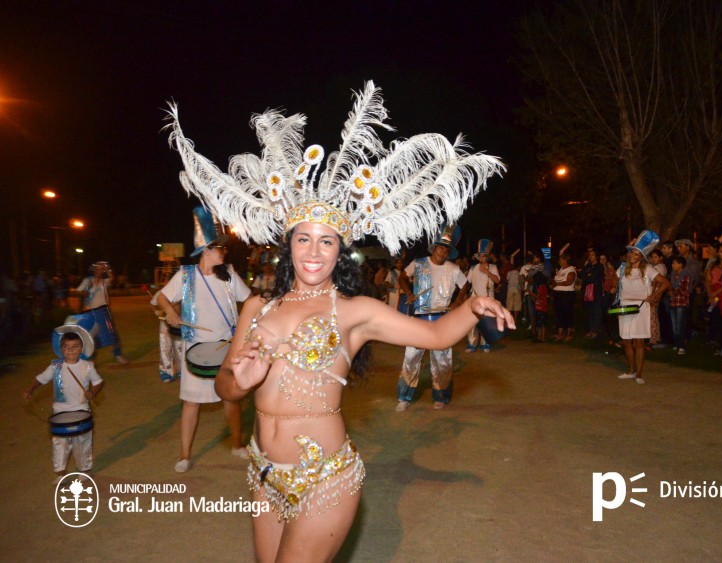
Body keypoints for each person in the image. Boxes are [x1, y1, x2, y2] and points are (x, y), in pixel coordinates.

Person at [166, 81, 507, 561]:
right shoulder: (256, 308)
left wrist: (472, 307)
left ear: (339, 251)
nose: (313, 251)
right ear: (288, 244)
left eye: (326, 241)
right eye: (303, 238)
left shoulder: (353, 310)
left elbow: (433, 335)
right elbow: (225, 387)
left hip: (326, 476)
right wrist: (239, 382)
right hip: (264, 475)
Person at [156, 207, 252, 472]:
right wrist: (170, 310)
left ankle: (237, 445)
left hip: (224, 347)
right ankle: (185, 455)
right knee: (191, 402)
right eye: (220, 248)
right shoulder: (185, 277)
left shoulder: (229, 275)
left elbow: (250, 300)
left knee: (231, 400)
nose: (224, 252)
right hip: (194, 348)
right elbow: (161, 297)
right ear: (206, 250)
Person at [397, 225, 469, 405]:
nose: (443, 251)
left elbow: (465, 285)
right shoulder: (419, 263)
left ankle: (440, 396)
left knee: (442, 360)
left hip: (442, 318)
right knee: (411, 358)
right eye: (441, 247)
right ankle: (404, 397)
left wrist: (456, 302)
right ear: (434, 248)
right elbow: (402, 277)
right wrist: (408, 293)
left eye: (447, 249)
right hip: (420, 317)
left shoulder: (453, 269)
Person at [23, 330, 104, 481]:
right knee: (60, 443)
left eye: (75, 347)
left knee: (82, 442)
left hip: (81, 410)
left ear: (82, 348)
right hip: (60, 411)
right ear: (61, 349)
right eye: (66, 347)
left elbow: (99, 382)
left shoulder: (87, 366)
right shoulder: (56, 367)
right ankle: (60, 473)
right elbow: (41, 379)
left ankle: (84, 470)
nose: (71, 350)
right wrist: (30, 390)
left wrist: (93, 393)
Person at [615, 231, 670, 384]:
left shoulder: (647, 270)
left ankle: (638, 374)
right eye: (631, 252)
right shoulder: (622, 269)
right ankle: (630, 370)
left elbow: (665, 283)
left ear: (641, 257)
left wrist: (654, 295)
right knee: (626, 341)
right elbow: (616, 286)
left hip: (641, 307)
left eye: (636, 254)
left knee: (639, 342)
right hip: (625, 307)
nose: (632, 255)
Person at [76, 261, 128, 364]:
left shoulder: (105, 282)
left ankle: (117, 355)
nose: (98, 271)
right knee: (92, 336)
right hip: (91, 312)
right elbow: (78, 292)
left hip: (104, 311)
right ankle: (92, 358)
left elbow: (112, 278)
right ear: (94, 271)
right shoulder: (87, 281)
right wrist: (87, 289)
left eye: (101, 270)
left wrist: (107, 268)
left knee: (113, 333)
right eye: (97, 269)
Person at [466, 239, 500, 352]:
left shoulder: (493, 267)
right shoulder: (473, 268)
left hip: (488, 298)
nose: (481, 258)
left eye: (484, 256)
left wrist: (487, 272)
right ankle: (472, 344)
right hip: (475, 298)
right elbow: (468, 282)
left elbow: (497, 280)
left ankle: (486, 344)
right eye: (480, 256)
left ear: (487, 257)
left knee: (487, 321)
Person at [151, 290, 183, 383]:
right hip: (165, 322)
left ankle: (181, 370)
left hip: (179, 321)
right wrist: (156, 312)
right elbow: (152, 303)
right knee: (165, 346)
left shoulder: (184, 291)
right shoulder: (161, 292)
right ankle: (166, 371)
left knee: (179, 347)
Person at [551, 252, 577, 342]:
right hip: (558, 294)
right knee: (559, 313)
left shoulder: (571, 269)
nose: (559, 261)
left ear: (565, 260)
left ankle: (569, 333)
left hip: (567, 295)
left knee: (567, 313)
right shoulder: (560, 270)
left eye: (561, 259)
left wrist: (557, 283)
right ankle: (560, 333)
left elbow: (569, 281)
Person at [668, 256, 691, 355]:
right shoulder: (673, 275)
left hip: (681, 303)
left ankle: (681, 346)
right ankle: (677, 344)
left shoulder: (686, 276)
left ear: (681, 265)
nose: (672, 265)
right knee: (674, 326)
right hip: (673, 302)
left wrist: (672, 290)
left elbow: (684, 290)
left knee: (680, 325)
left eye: (675, 263)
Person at [580, 247, 605, 338]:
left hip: (596, 292)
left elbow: (593, 277)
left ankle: (596, 330)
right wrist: (588, 275)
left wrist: (588, 276)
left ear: (596, 256)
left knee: (597, 312)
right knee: (589, 312)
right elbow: (582, 275)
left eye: (593, 255)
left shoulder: (599, 266)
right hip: (587, 292)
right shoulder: (588, 266)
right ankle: (591, 330)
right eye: (589, 255)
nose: (591, 257)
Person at [532, 271, 549, 342]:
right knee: (541, 323)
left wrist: (530, 292)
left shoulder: (541, 287)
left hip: (541, 307)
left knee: (541, 323)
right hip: (542, 306)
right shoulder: (544, 286)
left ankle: (541, 337)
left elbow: (538, 296)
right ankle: (540, 337)